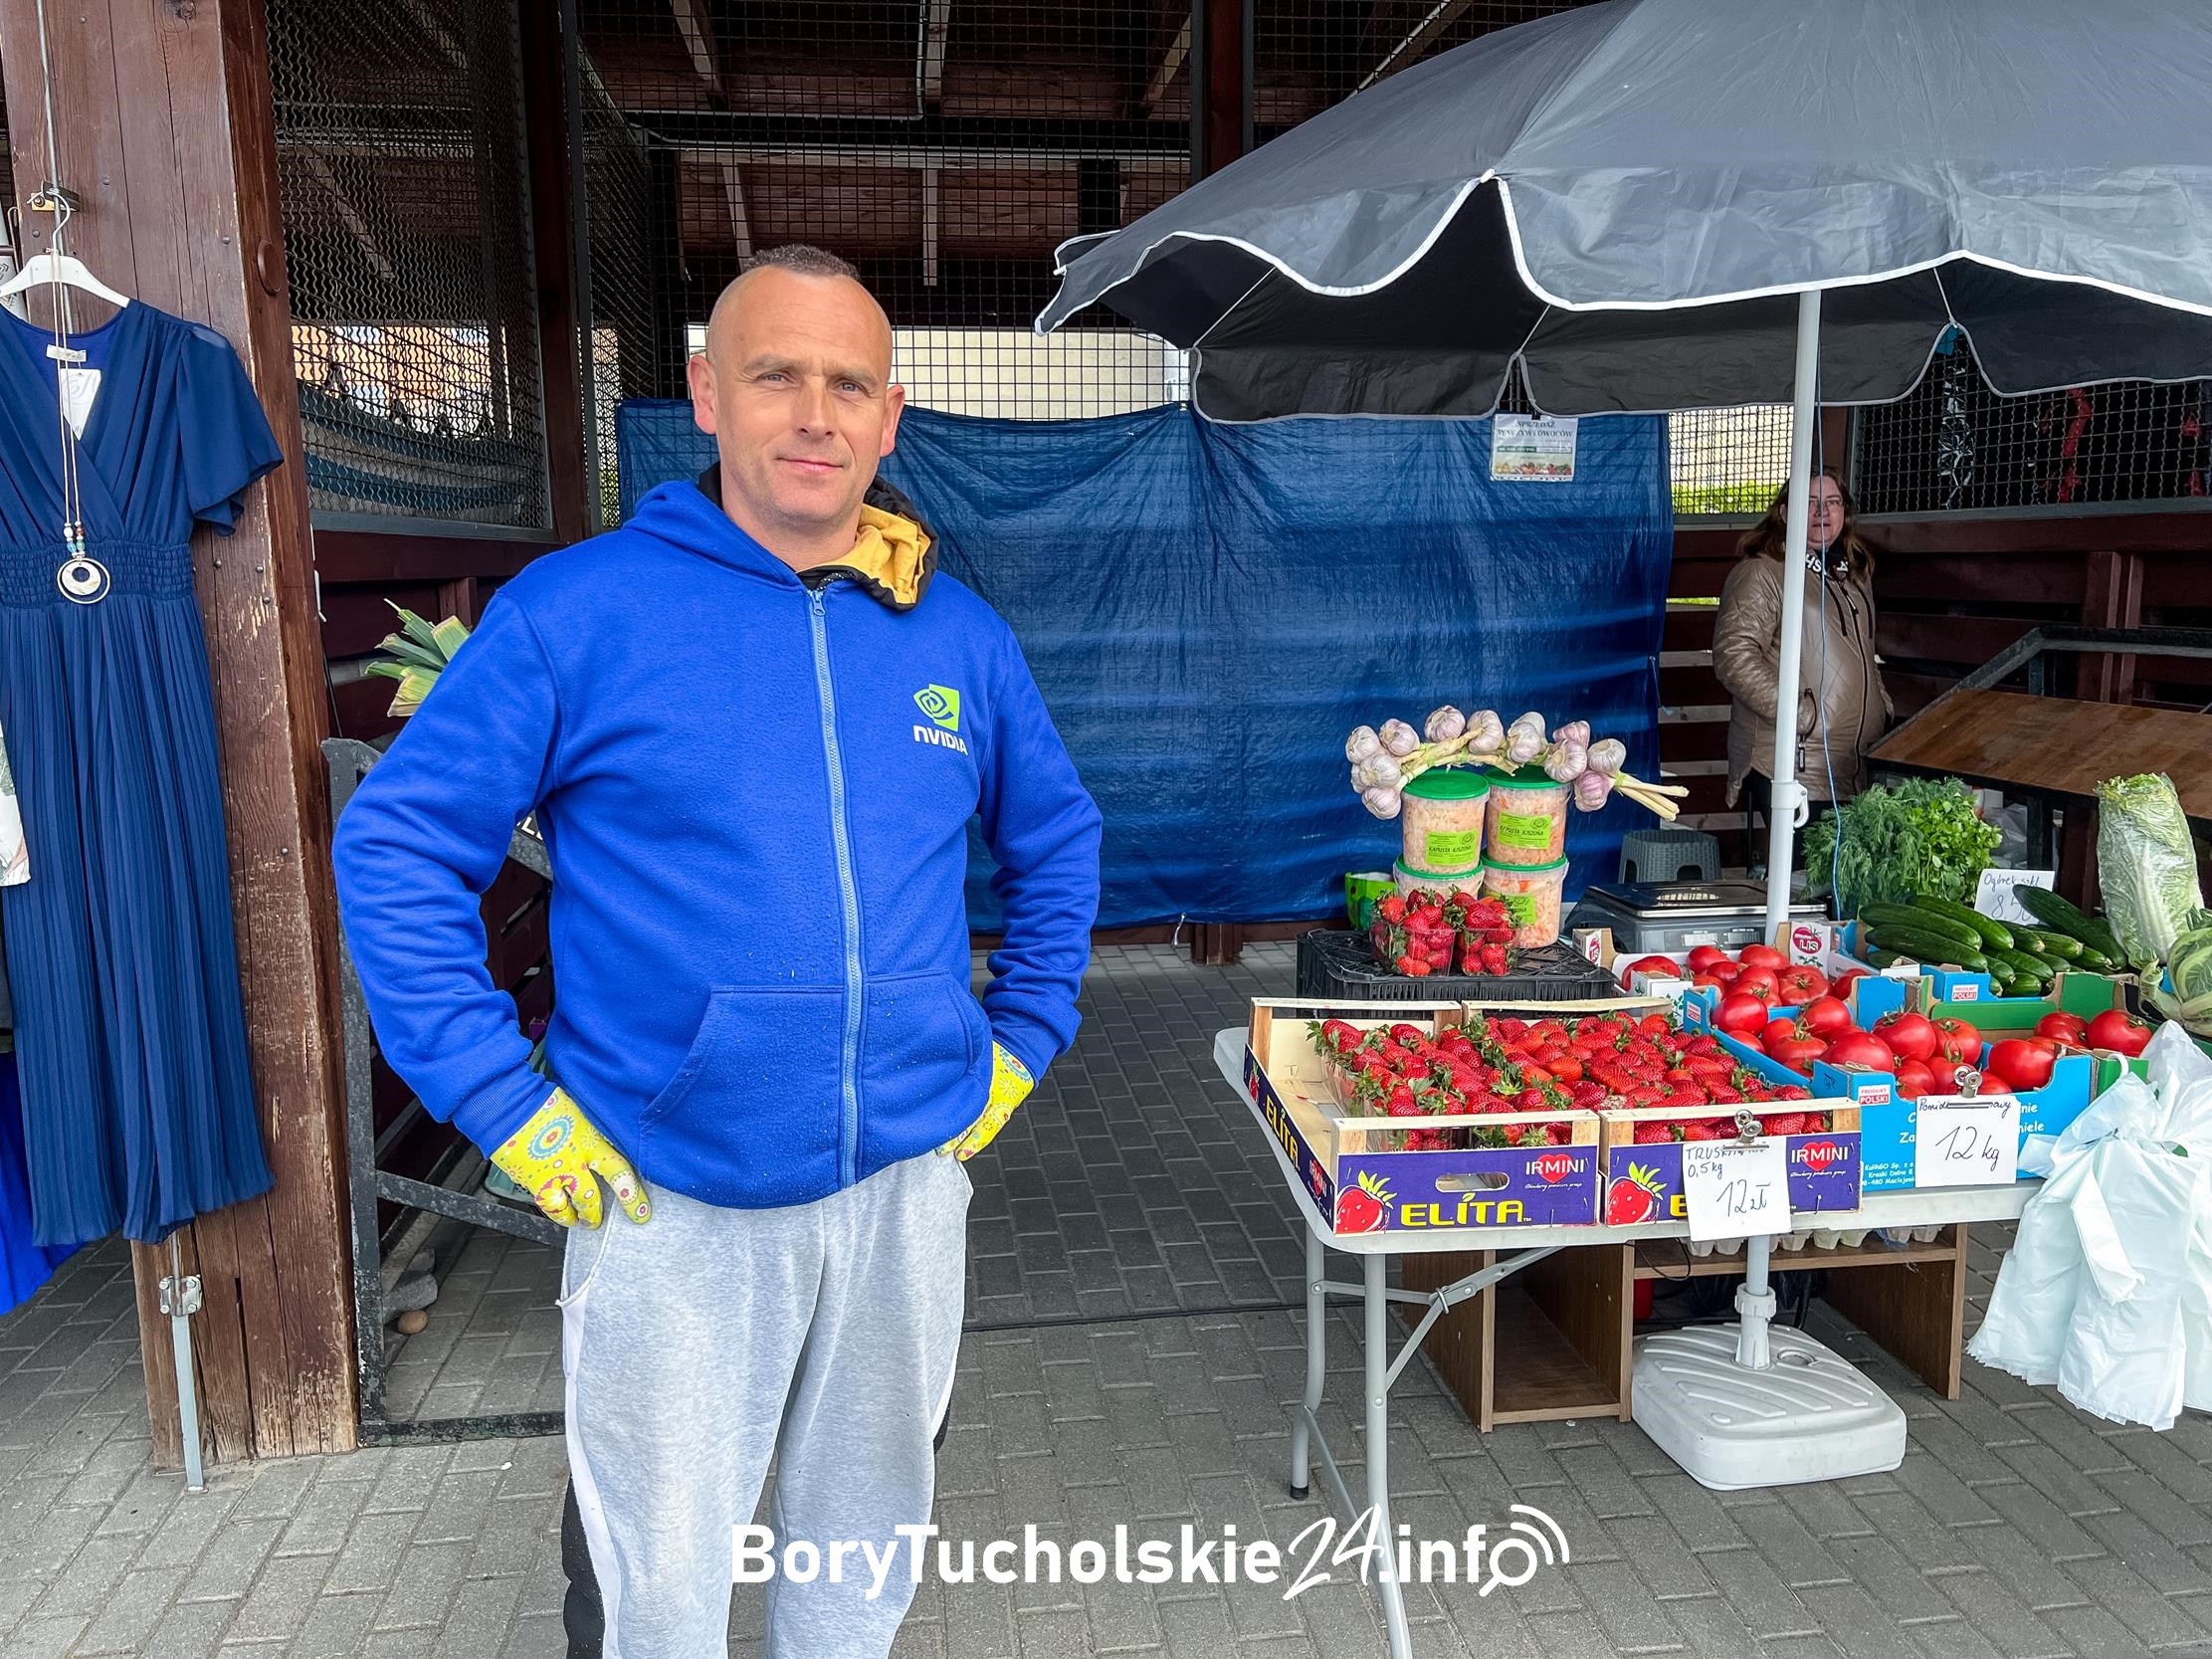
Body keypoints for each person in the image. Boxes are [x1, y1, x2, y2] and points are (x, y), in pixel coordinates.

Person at [332, 243, 1104, 1659]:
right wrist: (499, 1100)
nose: (813, 412)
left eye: (846, 383)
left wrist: (1024, 1038)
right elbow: (395, 847)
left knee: (860, 1543)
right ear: (705, 392)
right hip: (663, 1196)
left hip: (903, 1187)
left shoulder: (955, 633)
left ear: (888, 415)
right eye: (775, 374)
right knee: (659, 1582)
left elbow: (1055, 836)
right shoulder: (577, 614)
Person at [1712, 467, 1889, 876]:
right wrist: (1801, 716)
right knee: (1803, 889)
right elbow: (1733, 657)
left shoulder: (1851, 574)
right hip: (1792, 761)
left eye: (1832, 502)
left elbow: (1863, 650)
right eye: (1809, 503)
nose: (1822, 512)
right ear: (1784, 512)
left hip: (1851, 762)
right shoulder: (1763, 572)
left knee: (1837, 888)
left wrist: (1881, 703)